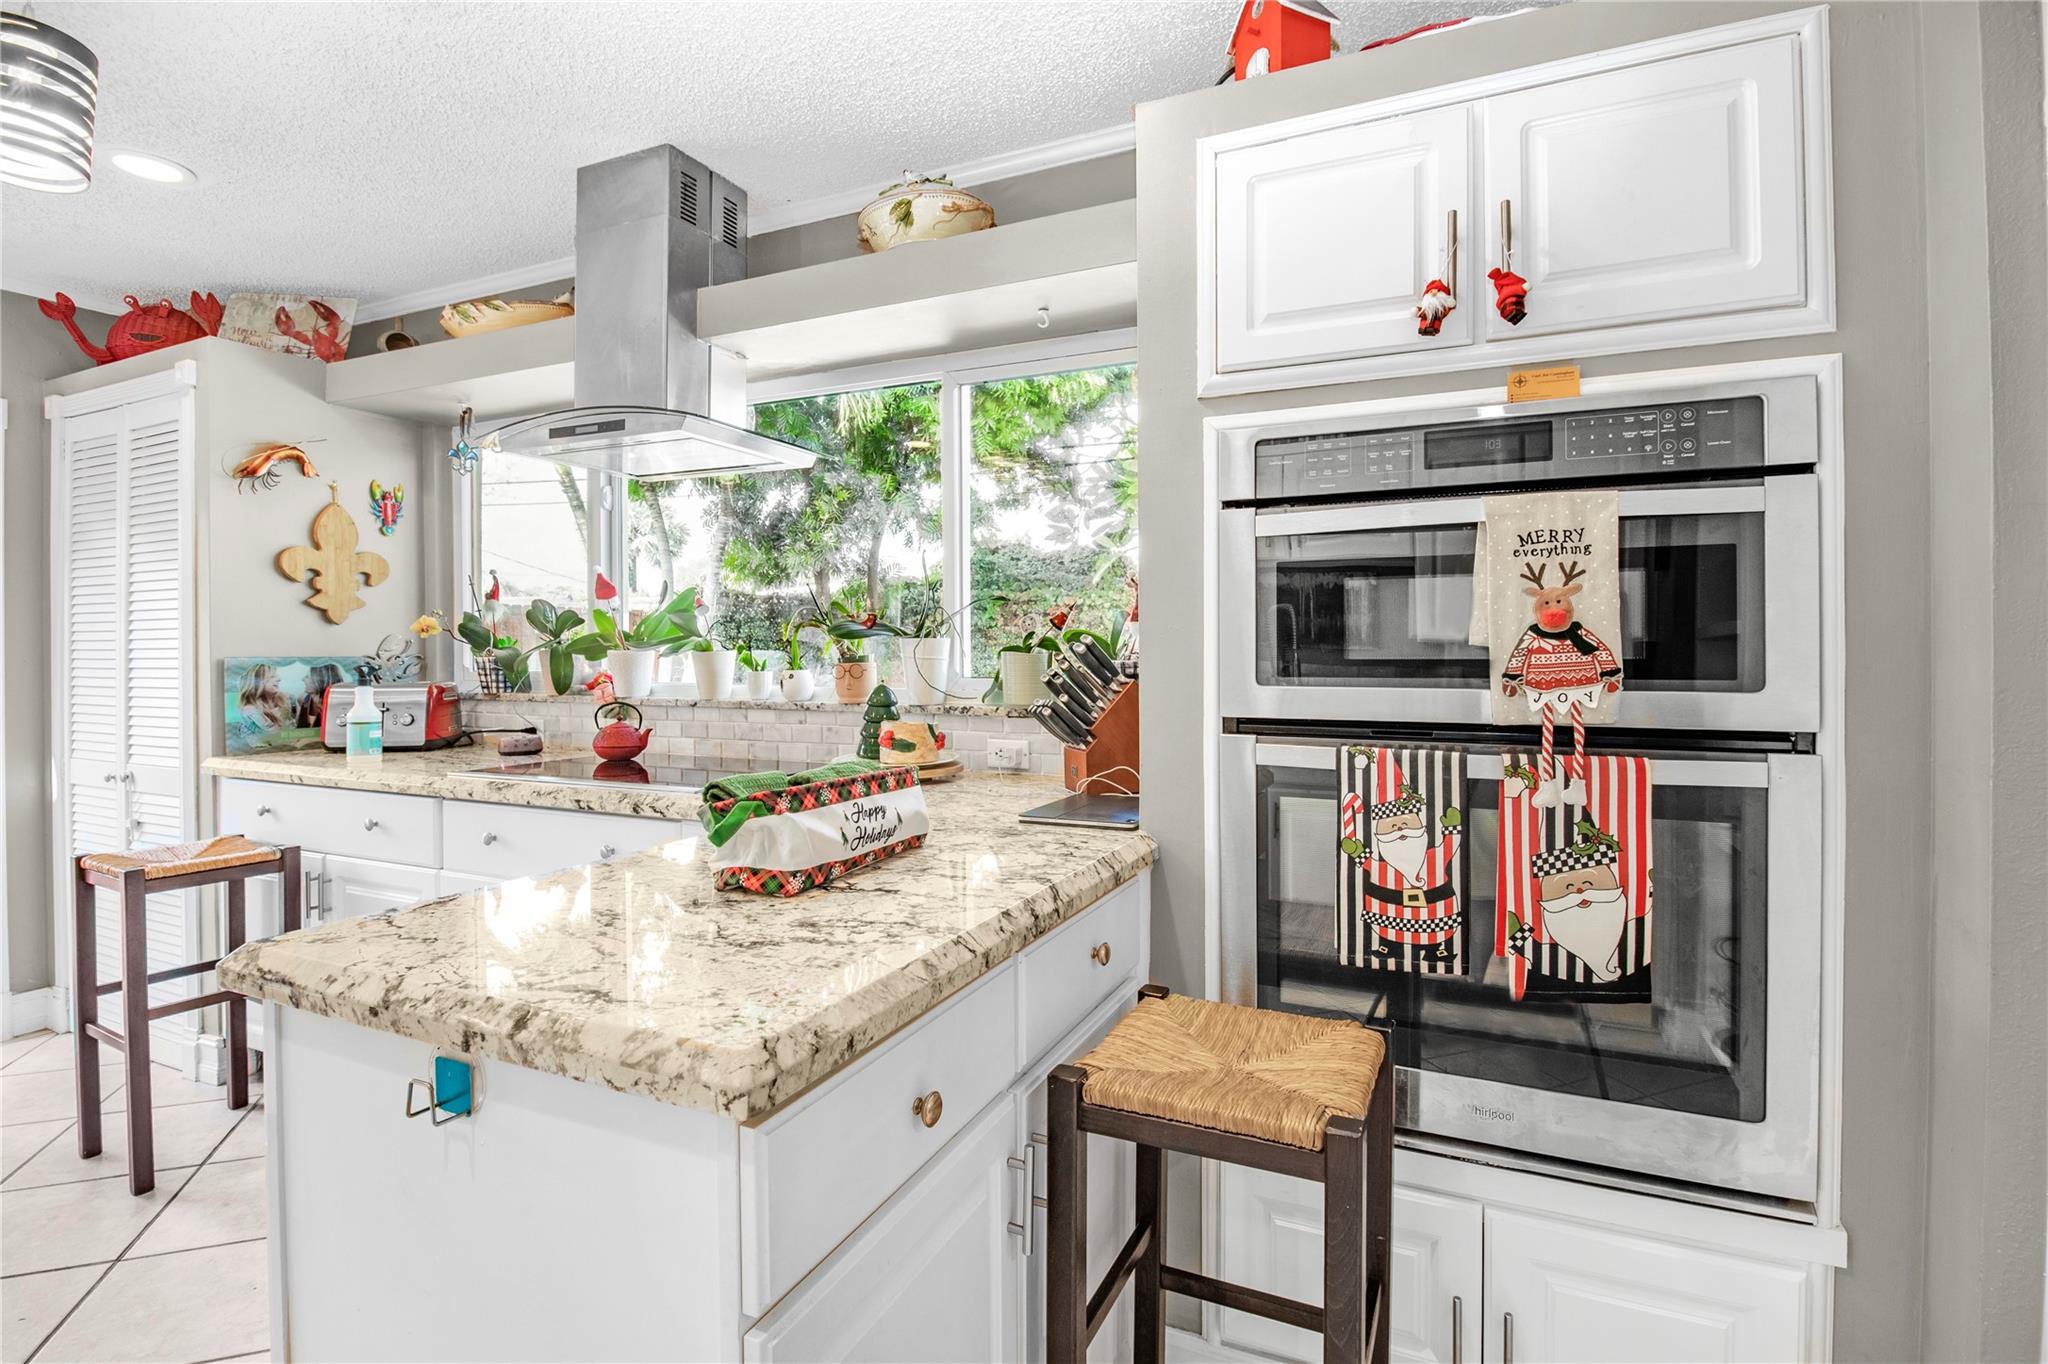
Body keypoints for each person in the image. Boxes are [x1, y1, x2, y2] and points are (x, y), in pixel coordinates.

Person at [239, 663, 293, 732]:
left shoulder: (284, 700)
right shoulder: (249, 710)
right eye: (272, 676)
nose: (279, 679)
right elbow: (272, 735)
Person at [294, 662, 346, 729]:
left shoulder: (338, 706)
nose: (303, 679)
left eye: (307, 677)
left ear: (320, 681)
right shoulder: (303, 700)